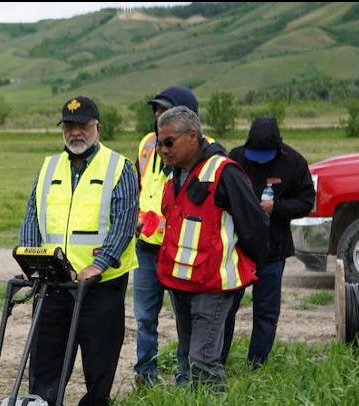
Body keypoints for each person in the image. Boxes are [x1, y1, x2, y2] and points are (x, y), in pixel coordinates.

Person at [19, 95, 139, 406]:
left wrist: (100, 265)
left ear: (97, 128)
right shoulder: (48, 167)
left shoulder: (119, 167)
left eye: (83, 126)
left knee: (99, 354)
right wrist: (32, 258)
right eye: (69, 126)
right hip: (54, 280)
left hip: (100, 284)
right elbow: (32, 216)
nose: (76, 133)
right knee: (46, 353)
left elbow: (125, 221)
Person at [155, 106, 268, 387]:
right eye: (159, 142)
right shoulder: (174, 176)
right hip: (181, 283)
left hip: (212, 286)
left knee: (203, 361)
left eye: (169, 142)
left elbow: (254, 226)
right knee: (187, 355)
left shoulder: (224, 172)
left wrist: (247, 268)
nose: (162, 149)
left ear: (192, 136)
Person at [222, 116, 315, 367]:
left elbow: (307, 202)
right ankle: (217, 360)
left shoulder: (294, 162)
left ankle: (257, 363)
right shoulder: (236, 158)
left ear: (278, 147)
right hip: (237, 251)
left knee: (265, 312)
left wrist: (277, 207)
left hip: (273, 251)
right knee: (226, 309)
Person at [133, 86, 205, 386]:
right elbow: (141, 185)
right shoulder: (148, 145)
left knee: (185, 320)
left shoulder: (203, 150)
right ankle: (145, 375)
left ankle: (185, 376)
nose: (158, 117)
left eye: (165, 111)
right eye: (156, 111)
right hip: (148, 247)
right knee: (144, 317)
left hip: (182, 250)